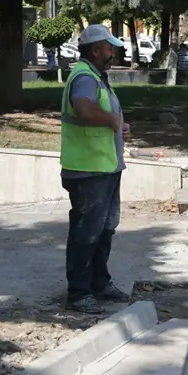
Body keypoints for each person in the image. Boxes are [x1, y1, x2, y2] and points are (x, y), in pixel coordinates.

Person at [60, 24, 131, 314]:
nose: (112, 51)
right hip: (88, 171)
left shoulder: (97, 78)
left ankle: (100, 283)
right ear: (95, 50)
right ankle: (79, 293)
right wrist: (112, 121)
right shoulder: (85, 77)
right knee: (86, 233)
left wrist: (118, 125)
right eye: (108, 47)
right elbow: (84, 109)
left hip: (104, 168)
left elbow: (99, 115)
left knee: (105, 229)